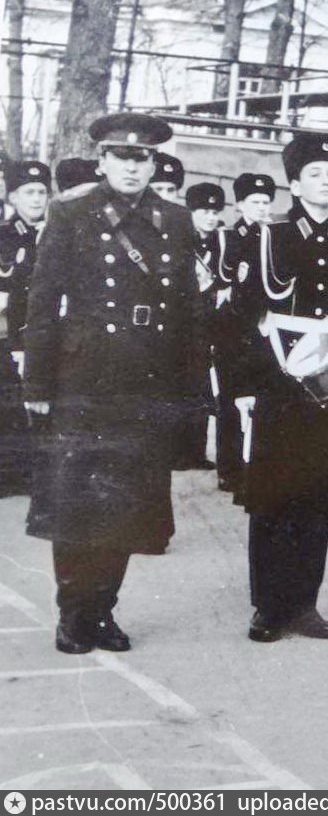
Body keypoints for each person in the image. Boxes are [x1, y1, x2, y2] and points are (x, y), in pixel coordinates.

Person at [23, 112, 207, 653]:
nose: (132, 167)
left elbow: (188, 310)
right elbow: (41, 299)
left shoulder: (174, 218)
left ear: (154, 163)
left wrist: (191, 388)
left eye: (142, 158)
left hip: (147, 378)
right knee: (78, 502)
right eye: (122, 157)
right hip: (83, 377)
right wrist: (37, 384)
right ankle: (72, 613)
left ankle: (104, 611)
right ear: (102, 161)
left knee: (128, 503)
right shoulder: (72, 211)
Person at [231, 131, 328, 642]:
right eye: (315, 173)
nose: (326, 181)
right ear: (294, 184)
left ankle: (304, 605)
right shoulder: (266, 236)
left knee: (318, 494)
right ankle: (269, 606)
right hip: (280, 381)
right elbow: (244, 315)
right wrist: (245, 385)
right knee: (275, 495)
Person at [213, 173, 275, 494]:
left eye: (266, 202)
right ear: (240, 205)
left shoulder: (275, 236)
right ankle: (230, 468)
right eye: (255, 202)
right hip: (234, 329)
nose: (263, 208)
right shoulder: (228, 238)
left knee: (263, 398)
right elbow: (225, 279)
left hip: (265, 328)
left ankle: (256, 465)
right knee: (231, 400)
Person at [0, 159, 50, 497]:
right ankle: (10, 475)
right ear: (13, 198)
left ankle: (41, 474)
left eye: (42, 192)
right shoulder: (4, 236)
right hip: (9, 333)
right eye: (28, 192)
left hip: (46, 333)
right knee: (9, 405)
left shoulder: (57, 233)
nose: (36, 199)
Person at [171, 181, 228, 471]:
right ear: (191, 211)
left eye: (215, 211)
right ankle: (176, 451)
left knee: (203, 386)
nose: (210, 217)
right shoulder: (181, 241)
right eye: (204, 210)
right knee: (180, 385)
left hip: (210, 323)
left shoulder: (222, 243)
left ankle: (196, 451)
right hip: (181, 323)